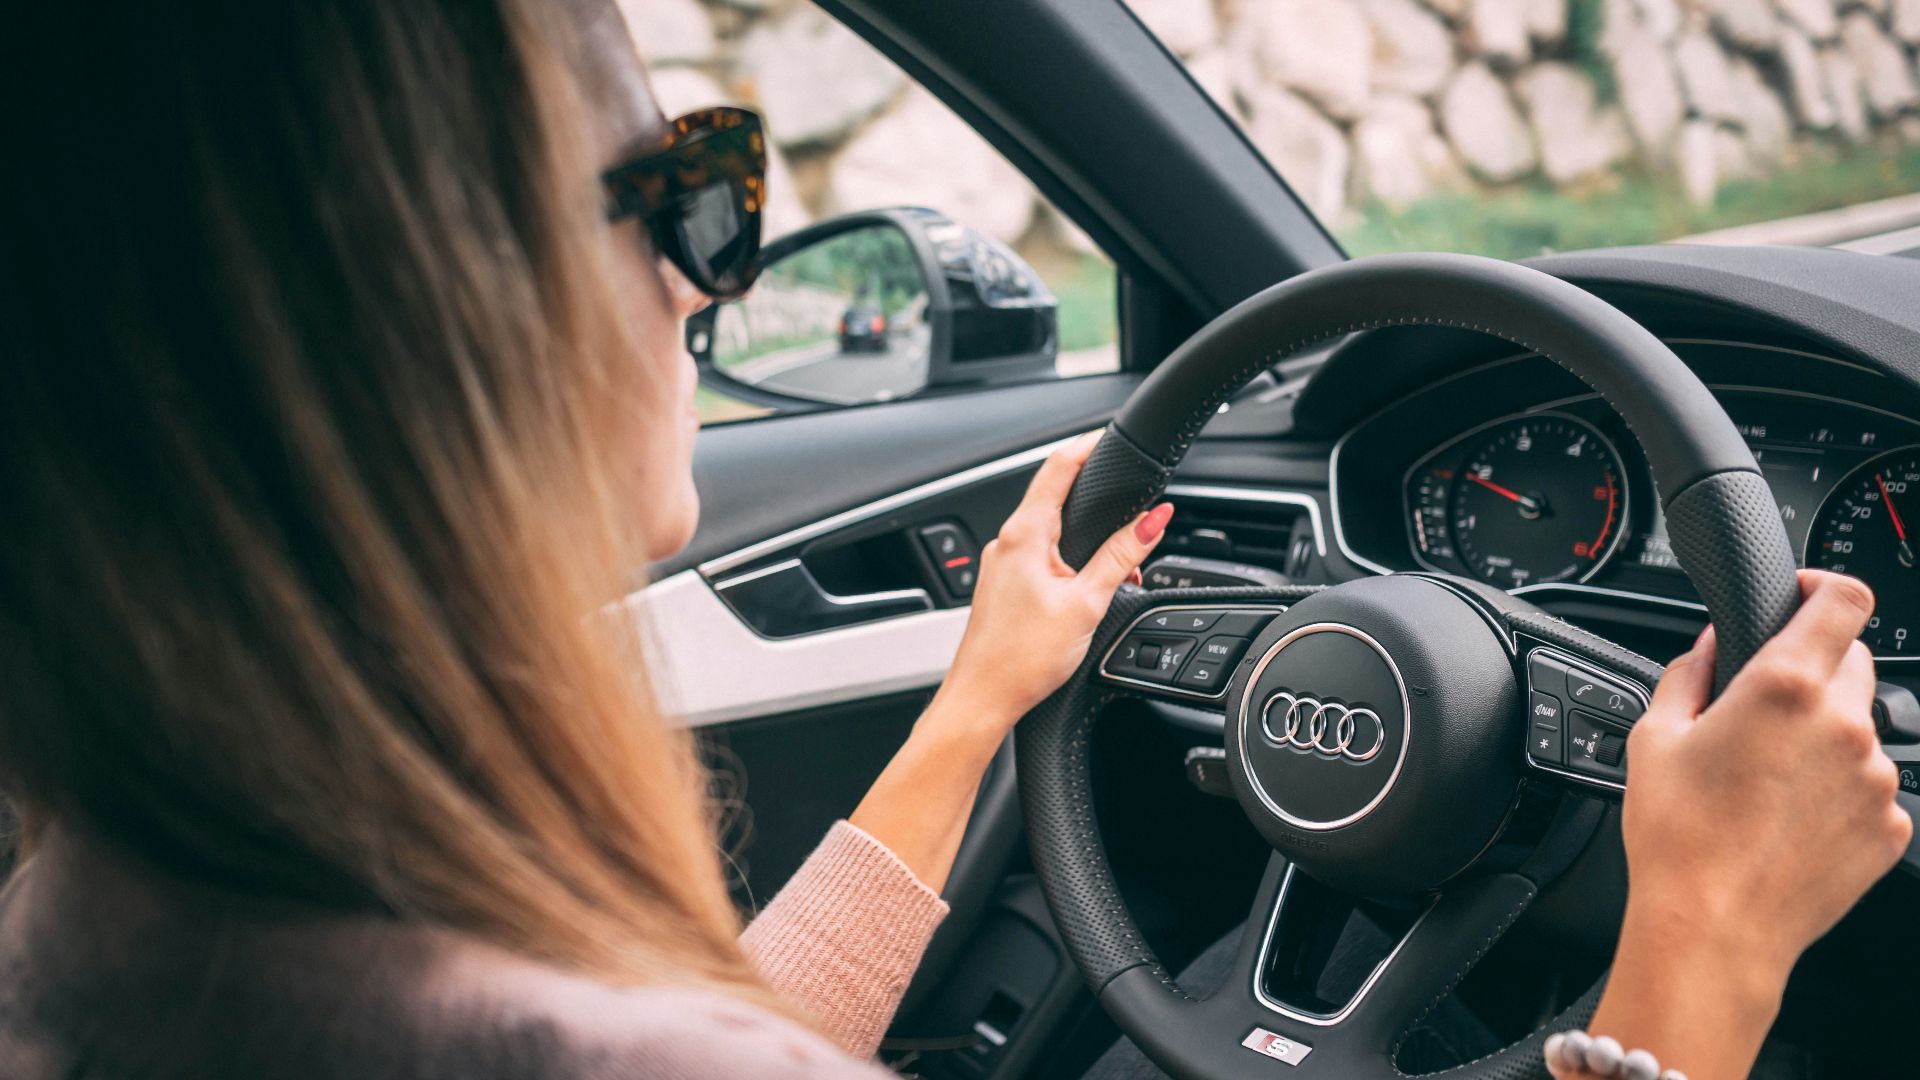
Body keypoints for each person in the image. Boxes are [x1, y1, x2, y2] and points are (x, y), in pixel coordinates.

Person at [0, 2, 1904, 1078]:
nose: (705, 282)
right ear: (429, 296)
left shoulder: (108, 925)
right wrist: (1703, 936)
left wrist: (976, 706)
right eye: (690, 197)